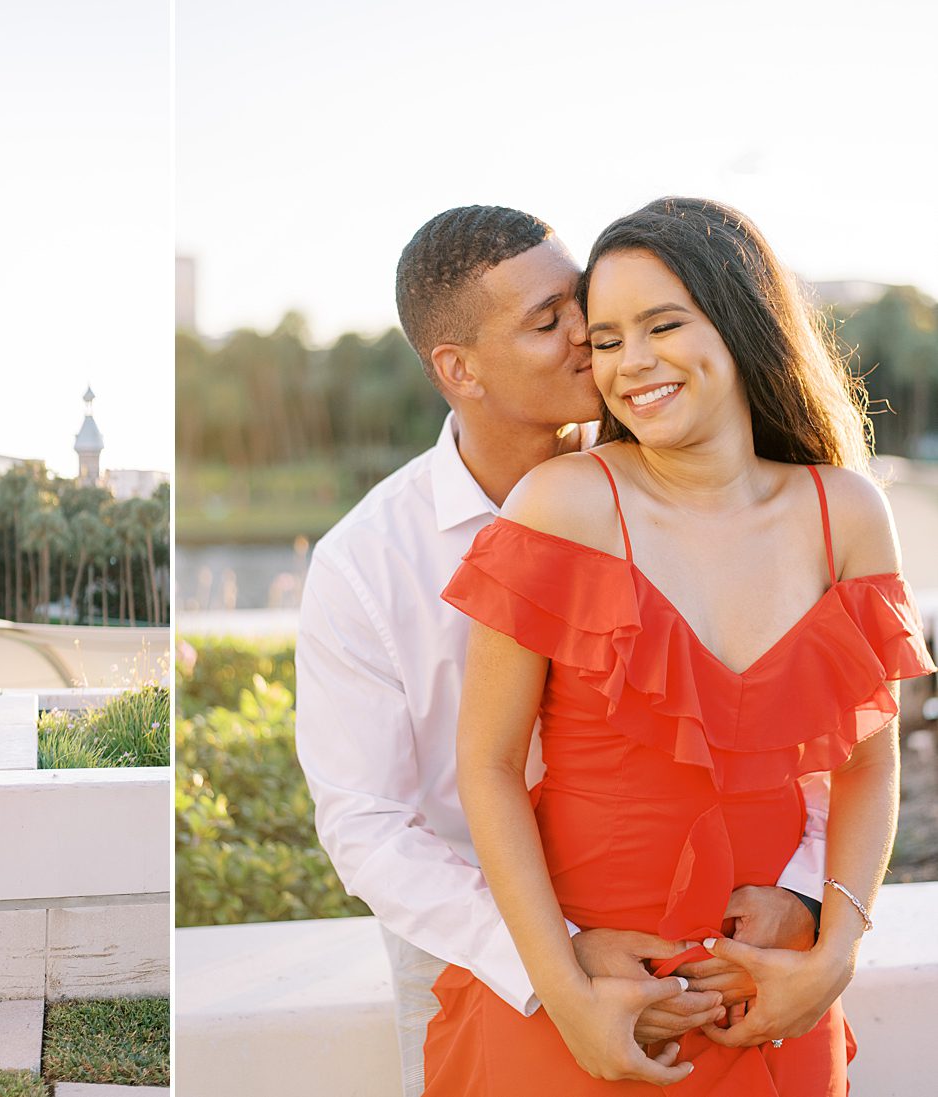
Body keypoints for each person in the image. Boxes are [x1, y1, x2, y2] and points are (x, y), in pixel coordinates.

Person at [295, 205, 829, 1097]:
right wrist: (555, 961)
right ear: (457, 369)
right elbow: (366, 821)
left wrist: (810, 895)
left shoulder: (682, 477)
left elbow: (796, 715)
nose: (591, 335)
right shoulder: (364, 565)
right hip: (480, 959)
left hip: (715, 960)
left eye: (581, 302)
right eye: (549, 323)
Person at [423, 196, 935, 1093]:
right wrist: (568, 991)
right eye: (609, 338)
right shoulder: (560, 504)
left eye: (664, 324)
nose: (632, 363)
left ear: (740, 324)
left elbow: (867, 764)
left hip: (769, 1006)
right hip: (592, 999)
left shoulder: (845, 513)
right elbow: (489, 767)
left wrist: (833, 955)